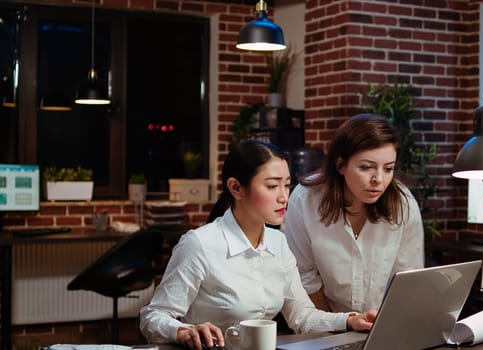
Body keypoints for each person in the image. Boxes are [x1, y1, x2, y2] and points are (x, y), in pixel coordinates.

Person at [139, 140, 377, 350]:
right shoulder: (200, 244)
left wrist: (350, 320)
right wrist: (182, 331)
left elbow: (301, 316)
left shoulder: (278, 242)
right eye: (272, 186)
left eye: (286, 184)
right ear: (236, 188)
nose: (284, 196)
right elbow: (153, 316)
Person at [282, 113, 425, 313]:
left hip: (381, 325)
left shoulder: (403, 204)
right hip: (322, 325)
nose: (379, 179)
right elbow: (304, 276)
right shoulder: (305, 200)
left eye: (388, 168)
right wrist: (339, 326)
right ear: (340, 165)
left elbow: (409, 278)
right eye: (367, 167)